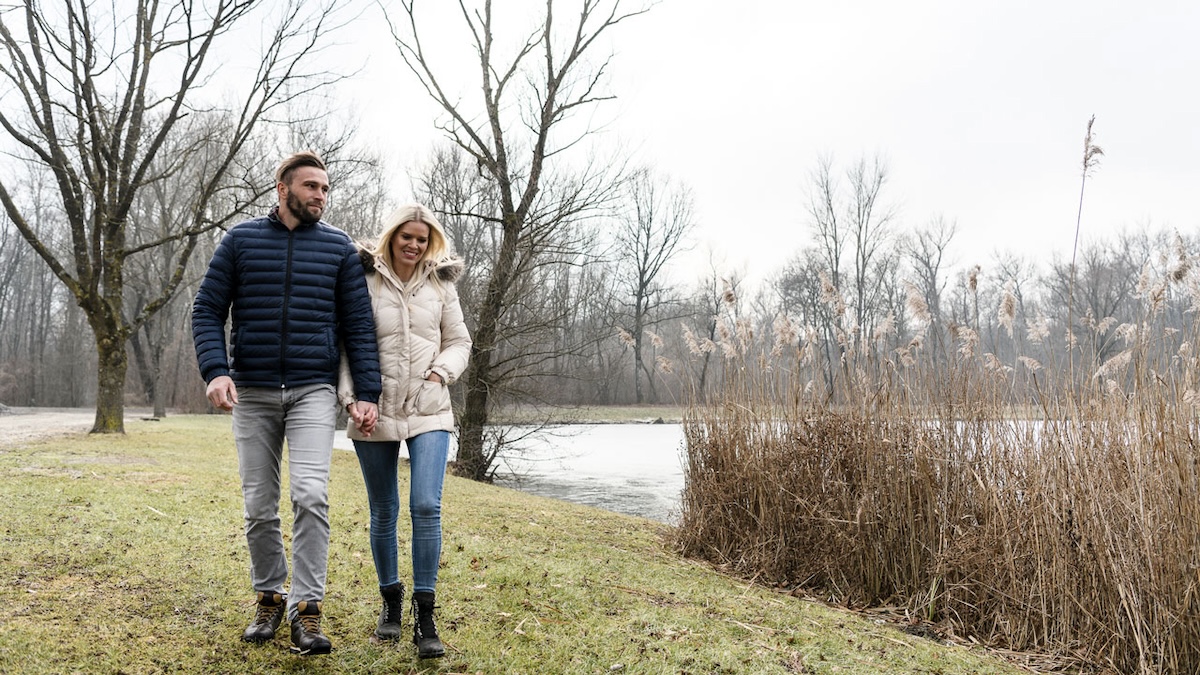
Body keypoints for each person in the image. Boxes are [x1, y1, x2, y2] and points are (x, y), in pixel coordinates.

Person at [192, 151, 382, 656]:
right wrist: (216, 372)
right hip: (252, 391)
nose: (321, 194)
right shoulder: (240, 241)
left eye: (325, 187)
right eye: (311, 186)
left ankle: (308, 611)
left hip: (312, 390)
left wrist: (367, 392)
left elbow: (359, 327)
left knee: (311, 495)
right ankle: (270, 596)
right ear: (282, 188)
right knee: (258, 504)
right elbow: (208, 309)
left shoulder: (339, 248)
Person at [338, 203, 471, 659]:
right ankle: (390, 605)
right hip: (374, 409)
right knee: (383, 509)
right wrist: (352, 399)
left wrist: (439, 374)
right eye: (406, 237)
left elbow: (459, 341)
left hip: (429, 408)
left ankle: (425, 615)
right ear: (392, 237)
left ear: (429, 240)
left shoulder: (440, 284)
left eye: (421, 238)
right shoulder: (364, 279)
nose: (413, 245)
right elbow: (347, 343)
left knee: (426, 505)